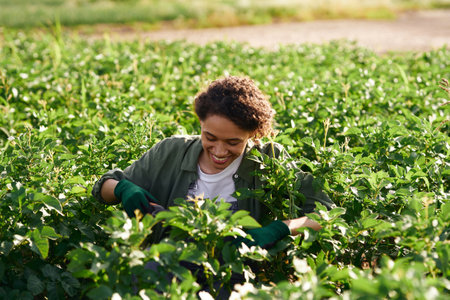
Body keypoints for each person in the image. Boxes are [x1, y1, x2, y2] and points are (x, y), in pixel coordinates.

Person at [92, 76, 334, 248]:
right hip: (166, 265)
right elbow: (102, 188)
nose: (219, 151)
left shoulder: (269, 159)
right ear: (200, 124)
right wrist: (123, 188)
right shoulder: (171, 151)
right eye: (210, 137)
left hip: (236, 273)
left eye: (232, 142)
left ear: (253, 134)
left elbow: (326, 214)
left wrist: (281, 227)